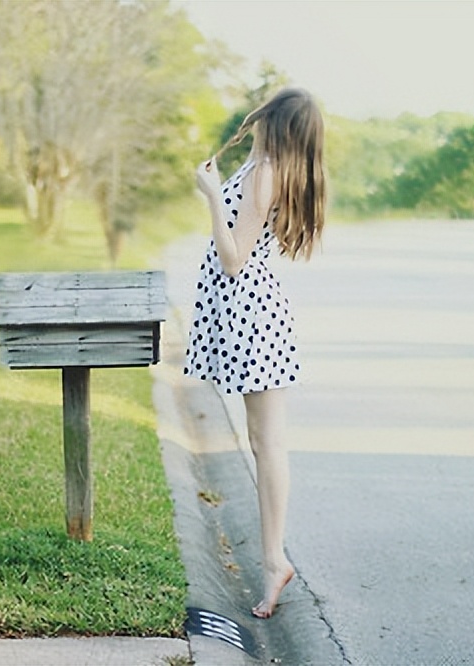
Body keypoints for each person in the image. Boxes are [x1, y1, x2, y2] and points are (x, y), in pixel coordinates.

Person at [184, 87, 326, 619]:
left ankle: (274, 560)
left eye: (266, 115)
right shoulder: (262, 166)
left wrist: (211, 194)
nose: (256, 120)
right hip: (249, 314)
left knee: (268, 442)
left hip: (253, 315)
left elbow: (234, 258)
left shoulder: (266, 173)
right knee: (263, 440)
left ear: (277, 124)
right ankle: (272, 559)